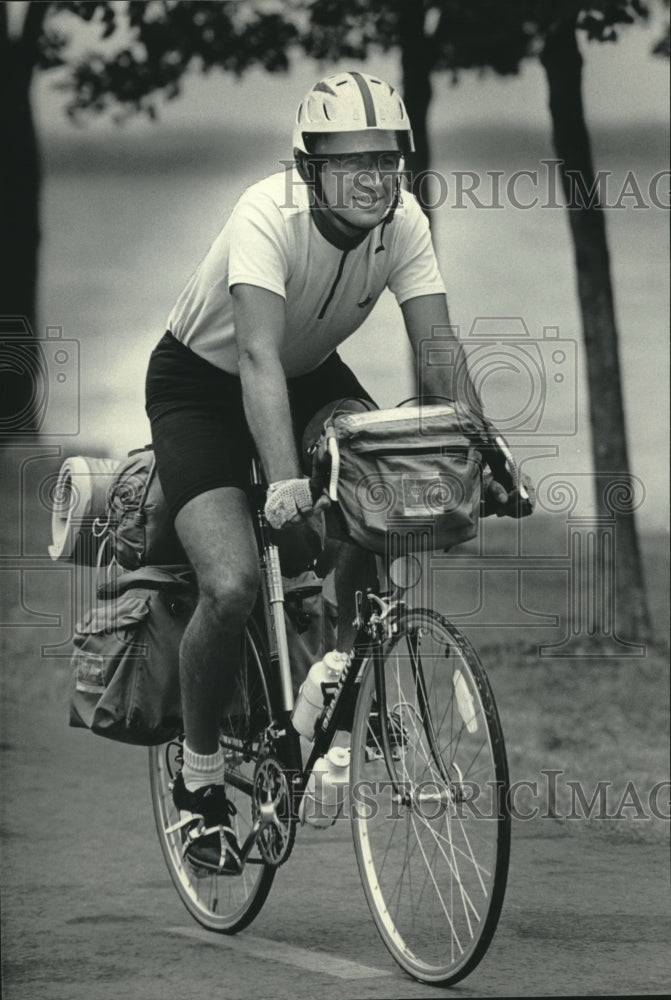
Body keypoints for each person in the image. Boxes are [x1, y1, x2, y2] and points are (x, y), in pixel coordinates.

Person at [145, 70, 513, 875]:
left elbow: (439, 349)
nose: (374, 178)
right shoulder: (263, 211)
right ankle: (199, 778)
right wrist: (283, 482)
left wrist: (484, 453)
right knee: (233, 584)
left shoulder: (403, 221)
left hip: (307, 373)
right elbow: (252, 356)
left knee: (392, 489)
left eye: (388, 160)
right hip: (202, 385)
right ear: (308, 167)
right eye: (351, 161)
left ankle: (338, 666)